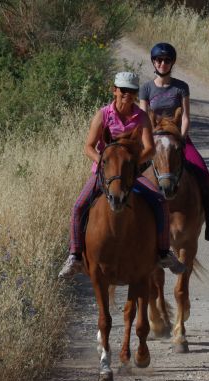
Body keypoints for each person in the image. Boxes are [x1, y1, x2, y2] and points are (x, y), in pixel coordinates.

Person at [58, 71, 185, 278]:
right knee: (79, 206)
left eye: (132, 91)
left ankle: (163, 253)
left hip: (131, 174)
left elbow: (150, 149)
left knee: (160, 202)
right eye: (123, 90)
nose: (127, 95)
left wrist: (132, 164)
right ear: (114, 90)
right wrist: (103, 162)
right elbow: (88, 147)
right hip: (104, 175)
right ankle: (75, 256)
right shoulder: (103, 115)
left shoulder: (141, 117)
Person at [139, 42, 209, 247]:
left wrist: (182, 138)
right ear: (153, 62)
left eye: (167, 60)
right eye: (159, 60)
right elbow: (144, 117)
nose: (162, 63)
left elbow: (186, 116)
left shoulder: (181, 87)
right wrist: (150, 140)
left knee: (203, 174)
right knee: (131, 173)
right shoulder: (146, 88)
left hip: (178, 138)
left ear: (172, 62)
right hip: (154, 138)